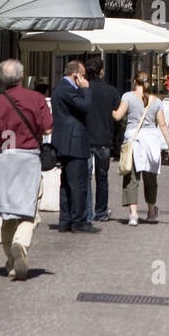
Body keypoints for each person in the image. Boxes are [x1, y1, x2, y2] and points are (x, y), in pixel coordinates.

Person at [0, 59, 53, 280]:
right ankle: (20, 244)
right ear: (22, 76)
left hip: (4, 159)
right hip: (28, 159)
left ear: (1, 79)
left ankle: (12, 262)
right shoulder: (37, 99)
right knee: (29, 210)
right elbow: (48, 127)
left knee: (7, 214)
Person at [113, 72, 169, 223]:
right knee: (150, 177)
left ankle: (133, 214)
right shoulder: (156, 100)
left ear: (135, 81)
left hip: (134, 139)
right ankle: (151, 210)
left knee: (132, 177)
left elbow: (118, 116)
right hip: (151, 140)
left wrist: (110, 111)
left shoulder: (128, 96)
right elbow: (162, 124)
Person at [50, 60, 98, 233]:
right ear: (75, 75)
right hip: (74, 142)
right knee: (78, 183)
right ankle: (78, 221)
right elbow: (85, 106)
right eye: (83, 75)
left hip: (65, 141)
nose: (85, 79)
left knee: (67, 184)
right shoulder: (68, 89)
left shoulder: (59, 89)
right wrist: (85, 89)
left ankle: (66, 220)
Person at [84, 55, 120, 222]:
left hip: (85, 138)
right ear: (101, 71)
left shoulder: (84, 90)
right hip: (104, 138)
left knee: (85, 177)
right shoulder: (111, 91)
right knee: (102, 177)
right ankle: (101, 211)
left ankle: (87, 212)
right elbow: (117, 115)